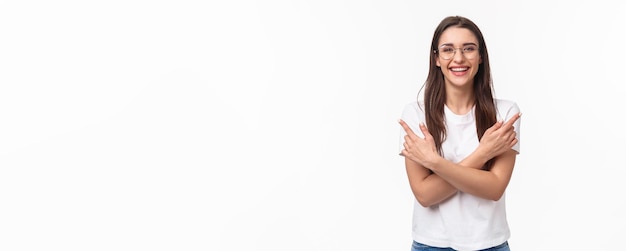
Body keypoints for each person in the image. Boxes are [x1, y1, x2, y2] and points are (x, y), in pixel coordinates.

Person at [398, 16, 522, 251]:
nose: (458, 58)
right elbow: (424, 194)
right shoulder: (415, 114)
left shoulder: (505, 113)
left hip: (490, 244)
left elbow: (494, 188)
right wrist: (483, 153)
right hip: (431, 244)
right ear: (436, 58)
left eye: (469, 49)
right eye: (448, 50)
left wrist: (434, 163)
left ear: (481, 56)